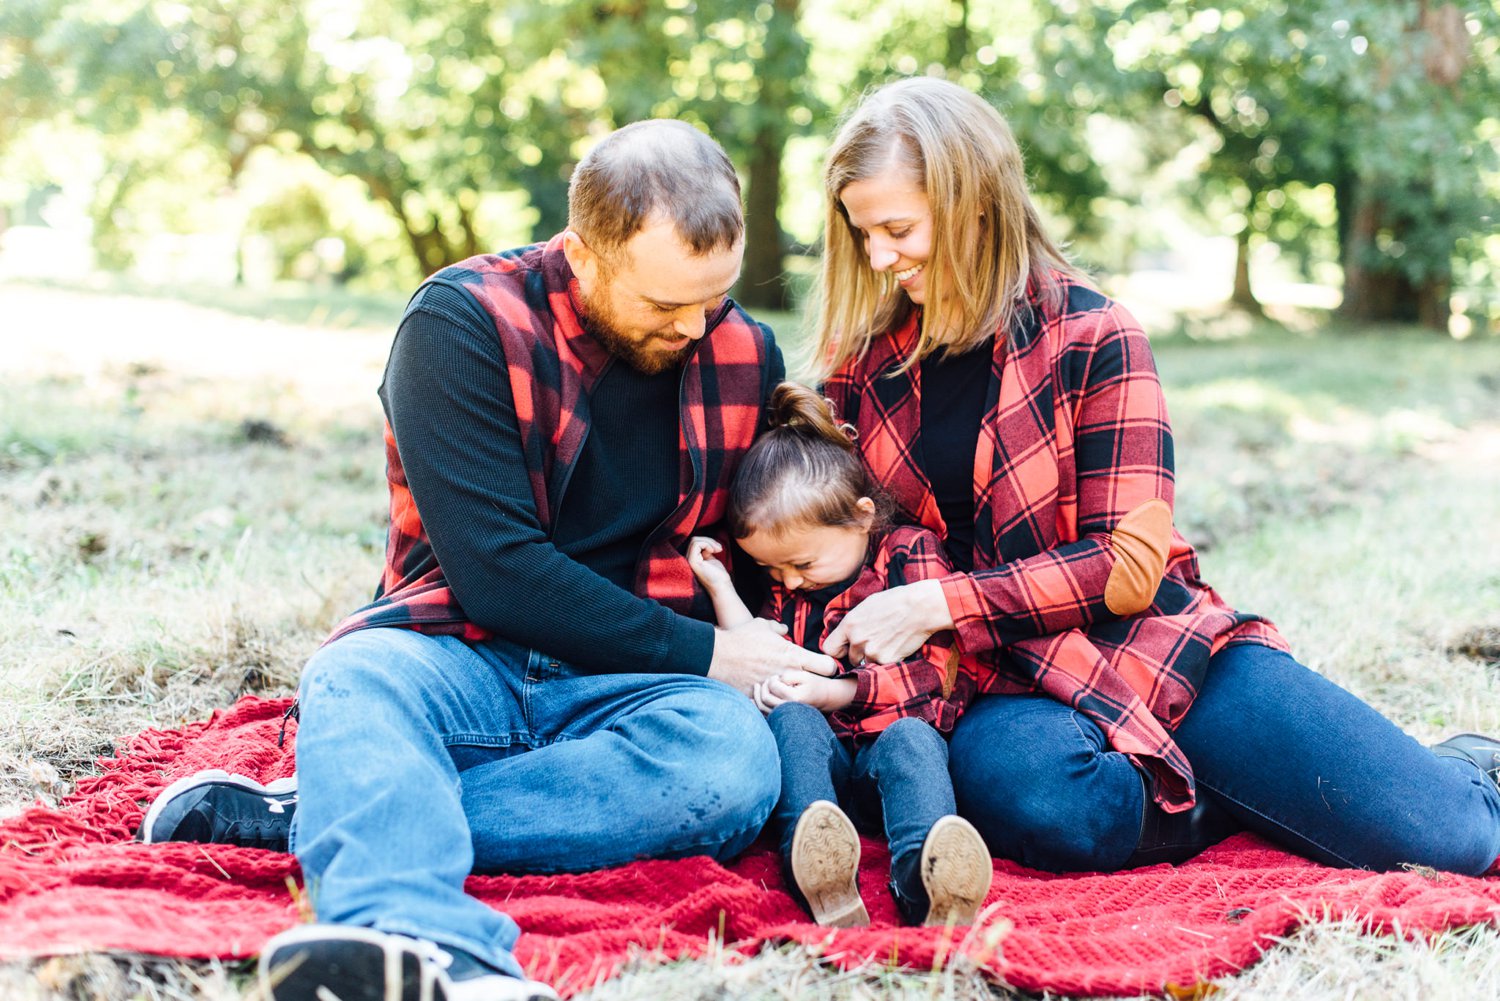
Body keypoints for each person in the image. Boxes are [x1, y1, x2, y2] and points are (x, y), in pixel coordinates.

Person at [138, 119, 839, 1001]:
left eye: (715, 297)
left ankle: (335, 809)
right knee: (355, 676)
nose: (697, 327)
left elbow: (751, 546)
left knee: (733, 763)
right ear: (583, 255)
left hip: (626, 678)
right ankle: (429, 946)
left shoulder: (743, 350)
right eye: (666, 306)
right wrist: (706, 654)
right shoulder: (461, 323)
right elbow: (497, 568)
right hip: (460, 644)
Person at [810, 76, 1500, 878]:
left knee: (1450, 839)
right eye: (863, 234)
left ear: (975, 205)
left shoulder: (1094, 333)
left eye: (897, 228)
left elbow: (1127, 568)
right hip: (998, 683)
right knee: (1051, 803)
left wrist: (940, 599)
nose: (878, 256)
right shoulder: (863, 369)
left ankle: (1461, 764)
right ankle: (1215, 796)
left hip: (1155, 648)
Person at [686, 381, 993, 928]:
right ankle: (819, 871)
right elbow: (760, 651)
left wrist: (837, 692)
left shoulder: (908, 555)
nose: (790, 581)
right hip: (824, 769)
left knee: (912, 740)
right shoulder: (787, 582)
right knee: (795, 722)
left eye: (802, 565)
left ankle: (929, 880)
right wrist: (721, 587)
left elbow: (938, 678)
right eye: (774, 571)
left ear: (861, 516)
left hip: (887, 755)